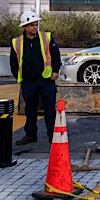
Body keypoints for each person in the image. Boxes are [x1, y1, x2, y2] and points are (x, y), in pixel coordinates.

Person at [9, 10, 61, 145]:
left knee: (50, 109)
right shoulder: (17, 42)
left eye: (36, 24)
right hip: (29, 82)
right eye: (32, 25)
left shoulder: (46, 37)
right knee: (30, 109)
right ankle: (30, 135)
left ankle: (52, 135)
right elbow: (14, 62)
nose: (35, 27)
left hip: (46, 80)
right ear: (25, 26)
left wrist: (55, 71)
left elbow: (56, 54)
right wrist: (20, 77)